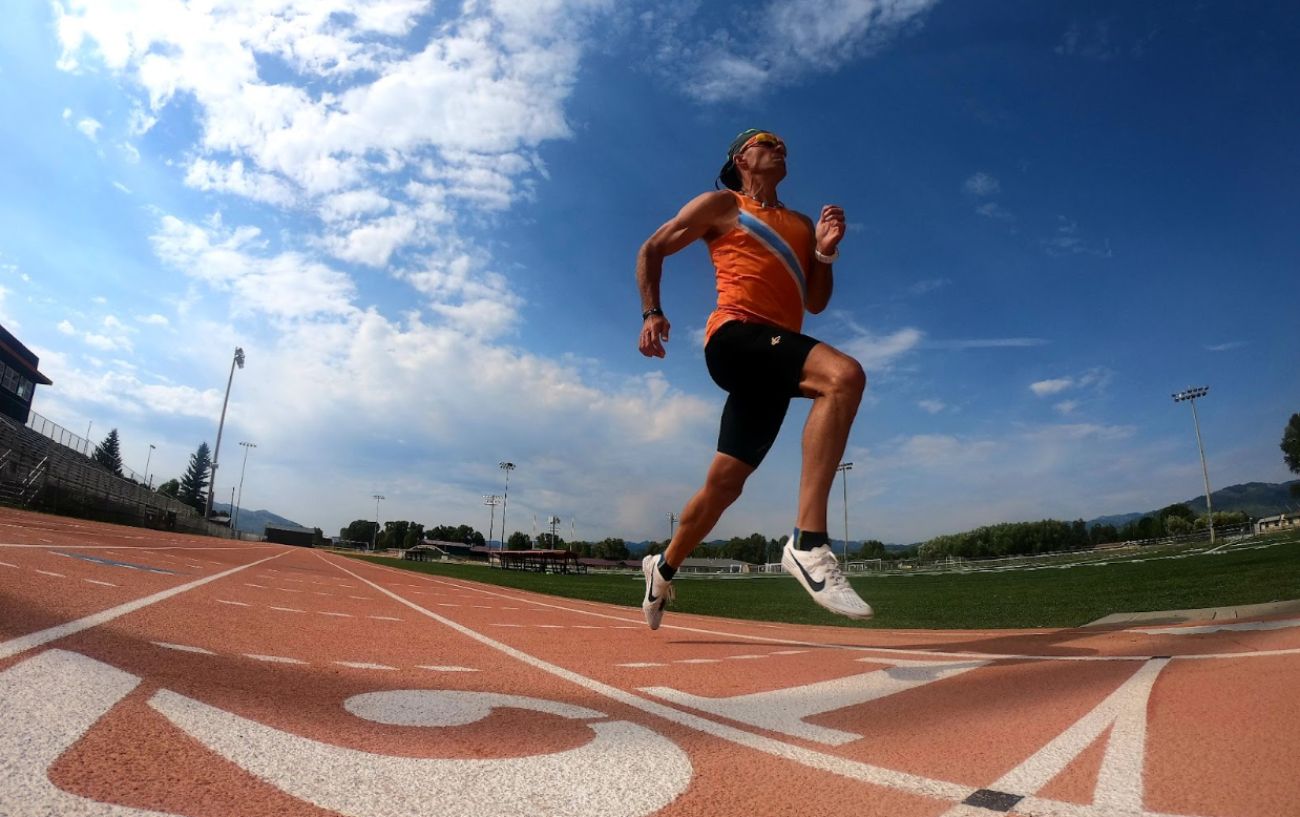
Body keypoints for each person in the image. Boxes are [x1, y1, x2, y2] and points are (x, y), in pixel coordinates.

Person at [635, 128, 874, 630]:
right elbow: (652, 249)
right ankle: (808, 543)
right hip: (736, 338)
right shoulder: (722, 204)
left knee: (725, 485)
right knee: (843, 376)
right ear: (741, 158)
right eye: (767, 141)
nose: (780, 146)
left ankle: (662, 566)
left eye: (785, 142)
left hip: (775, 359)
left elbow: (816, 302)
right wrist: (651, 312)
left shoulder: (801, 223)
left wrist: (826, 252)